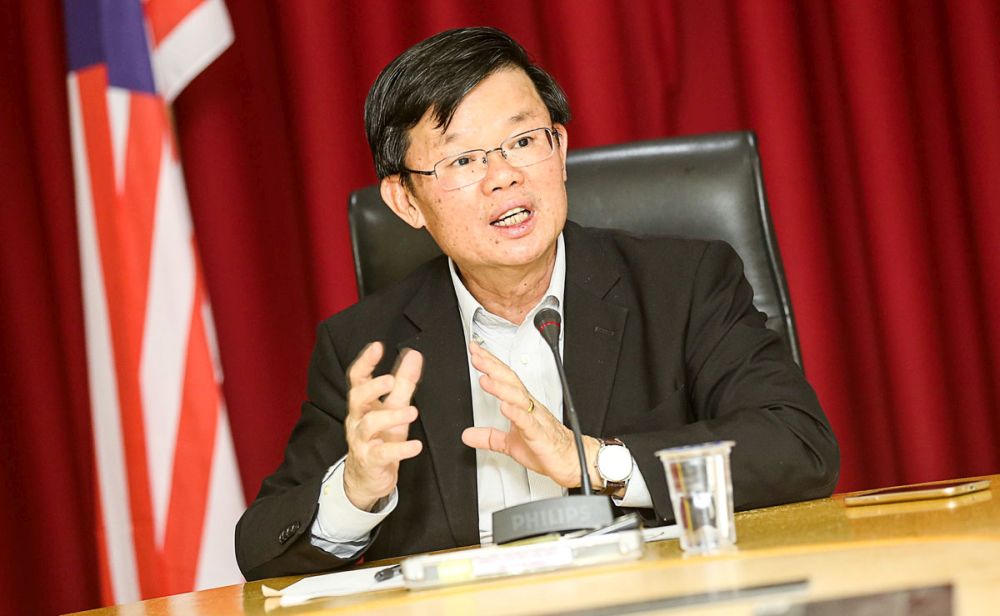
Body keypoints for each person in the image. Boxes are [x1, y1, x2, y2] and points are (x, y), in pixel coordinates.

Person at [235, 27, 839, 581]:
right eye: (464, 160)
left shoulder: (682, 284)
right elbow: (259, 551)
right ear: (406, 201)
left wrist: (600, 464)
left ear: (561, 147)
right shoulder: (368, 347)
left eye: (523, 141)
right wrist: (355, 490)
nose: (503, 176)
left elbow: (798, 446)